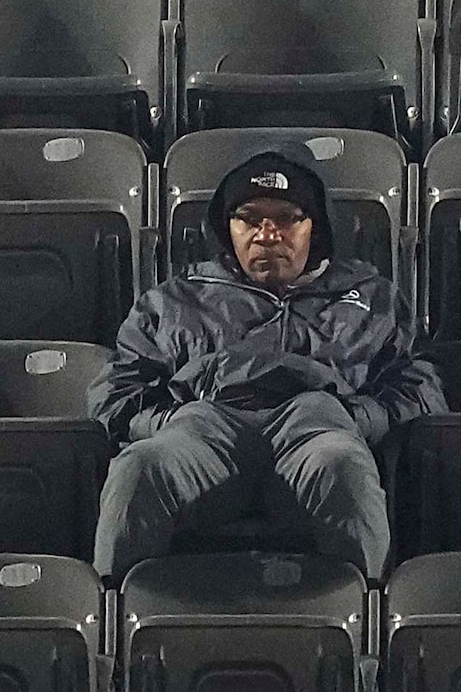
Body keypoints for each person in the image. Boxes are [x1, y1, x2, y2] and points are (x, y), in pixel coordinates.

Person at [89, 146, 442, 579]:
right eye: (250, 218)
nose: (267, 234)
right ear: (228, 227)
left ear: (316, 227)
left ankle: (370, 617)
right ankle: (114, 620)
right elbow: (115, 392)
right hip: (205, 427)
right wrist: (165, 423)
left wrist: (361, 420)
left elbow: (420, 386)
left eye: (288, 217)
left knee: (344, 465)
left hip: (317, 424)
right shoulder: (177, 298)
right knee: (137, 468)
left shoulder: (371, 295)